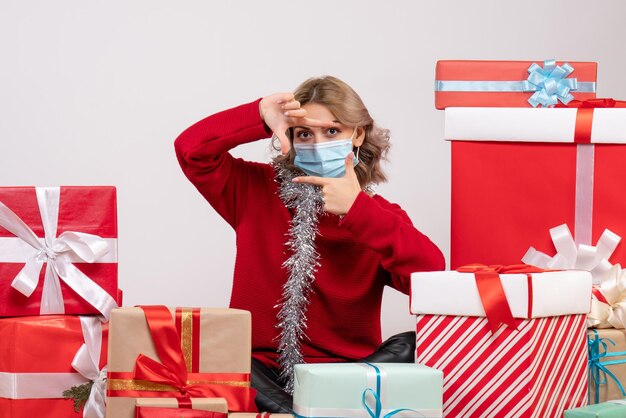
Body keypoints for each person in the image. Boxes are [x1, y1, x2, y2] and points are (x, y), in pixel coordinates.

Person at [174, 76, 445, 412]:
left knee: (418, 343)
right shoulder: (253, 190)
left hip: (345, 375)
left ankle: (304, 408)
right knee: (220, 356)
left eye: (332, 132)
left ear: (357, 134)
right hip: (260, 372)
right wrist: (259, 114)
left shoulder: (379, 216)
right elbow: (191, 150)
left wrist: (358, 211)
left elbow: (433, 278)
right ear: (289, 137)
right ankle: (302, 410)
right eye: (304, 133)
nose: (317, 143)